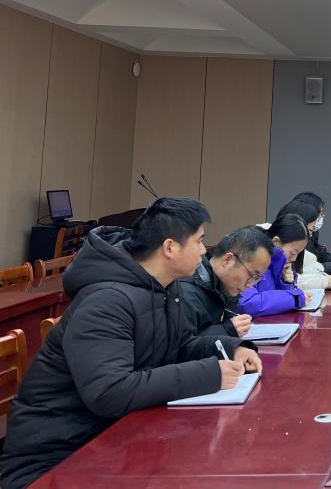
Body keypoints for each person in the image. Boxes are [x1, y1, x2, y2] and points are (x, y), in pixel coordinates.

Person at [0, 198, 261, 489]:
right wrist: (209, 374)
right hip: (55, 458)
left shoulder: (165, 288)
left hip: (109, 440)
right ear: (170, 248)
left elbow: (179, 346)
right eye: (199, 241)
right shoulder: (106, 301)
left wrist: (231, 348)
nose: (204, 250)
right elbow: (109, 392)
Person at [178, 225, 274, 338]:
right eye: (253, 275)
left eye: (257, 278)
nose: (251, 285)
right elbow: (184, 344)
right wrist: (228, 330)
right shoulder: (186, 290)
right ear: (227, 260)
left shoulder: (224, 288)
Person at [239, 213, 311, 316]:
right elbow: (248, 303)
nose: (294, 258)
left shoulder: (277, 263)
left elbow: (275, 302)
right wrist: (294, 298)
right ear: (276, 241)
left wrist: (285, 282)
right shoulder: (250, 256)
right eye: (293, 252)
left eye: (298, 254)